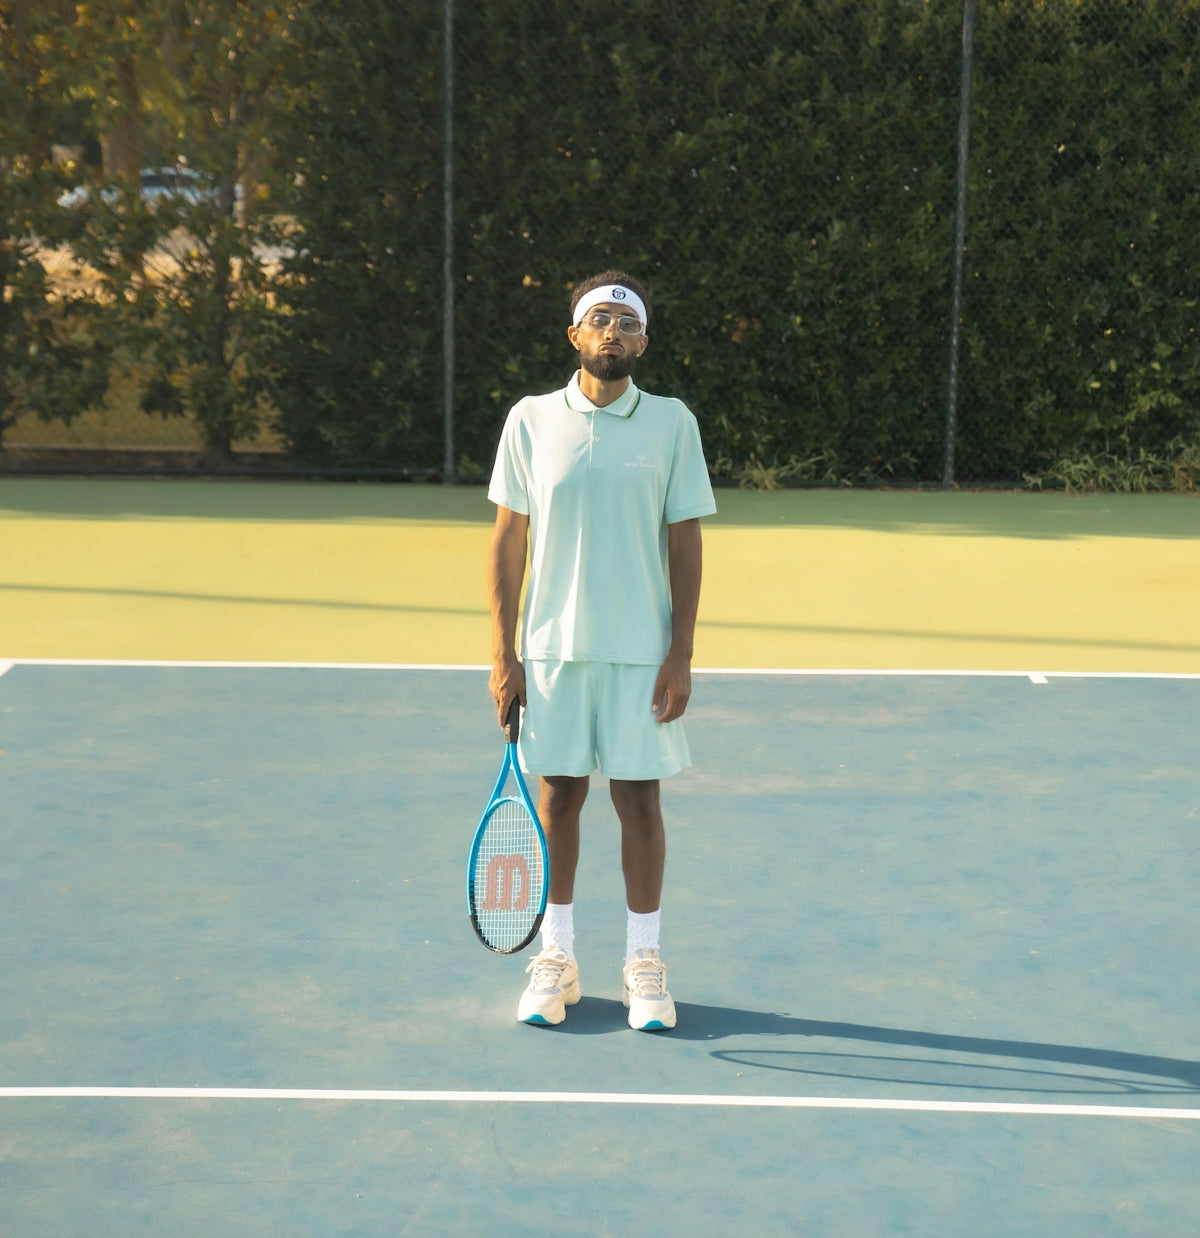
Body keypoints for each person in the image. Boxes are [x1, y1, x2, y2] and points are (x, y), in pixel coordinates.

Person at [486, 269, 716, 1031]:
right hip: (552, 652)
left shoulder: (673, 422)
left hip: (641, 654)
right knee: (558, 797)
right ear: (575, 336)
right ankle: (557, 959)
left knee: (640, 801)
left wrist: (680, 653)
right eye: (599, 319)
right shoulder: (528, 420)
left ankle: (643, 964)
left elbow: (686, 542)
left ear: (643, 341)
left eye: (626, 322)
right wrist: (504, 652)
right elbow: (507, 540)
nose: (612, 331)